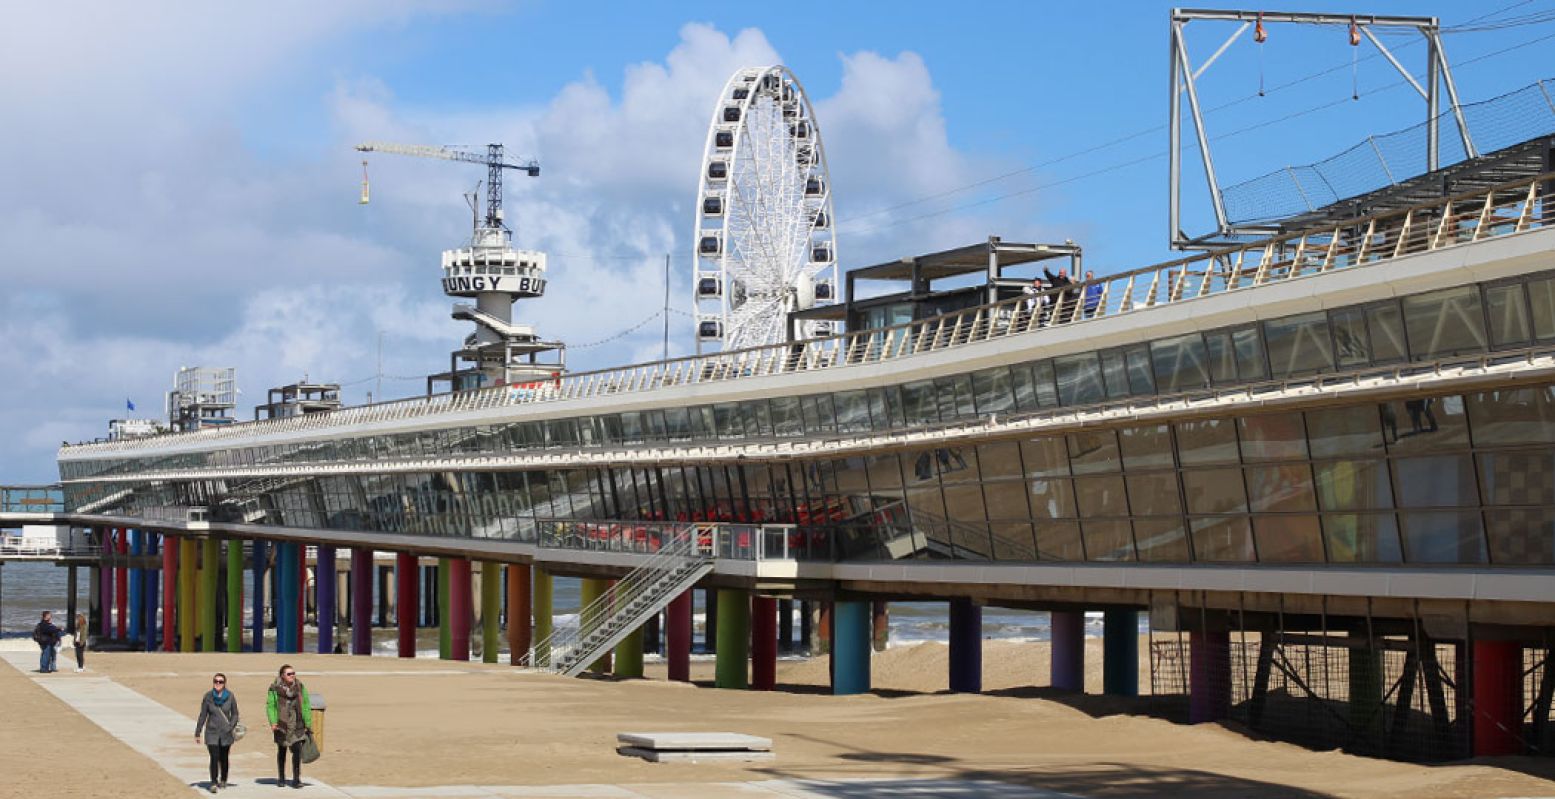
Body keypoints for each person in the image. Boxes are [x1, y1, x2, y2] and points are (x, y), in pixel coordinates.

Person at [266, 664, 312, 789]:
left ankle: (296, 779)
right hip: (281, 724)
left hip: (297, 723)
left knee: (297, 751)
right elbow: (270, 706)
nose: (292, 675)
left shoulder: (300, 687)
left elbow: (306, 704)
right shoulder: (274, 688)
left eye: (293, 673)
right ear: (282, 675)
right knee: (282, 751)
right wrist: (273, 722)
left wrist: (308, 723)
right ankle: (281, 777)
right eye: (289, 674)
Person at [195, 672, 241, 793]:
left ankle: (224, 779)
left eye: (220, 682)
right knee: (214, 757)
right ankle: (213, 782)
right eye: (216, 681)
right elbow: (203, 715)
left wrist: (231, 726)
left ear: (224, 684)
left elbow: (235, 713)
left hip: (226, 732)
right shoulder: (208, 697)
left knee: (224, 758)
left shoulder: (230, 696)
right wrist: (198, 732)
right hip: (212, 732)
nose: (218, 684)